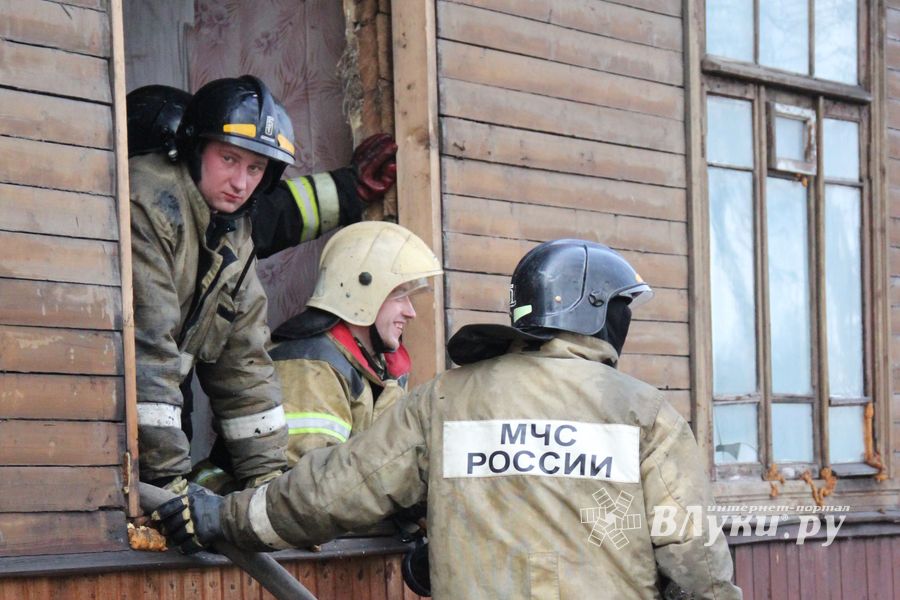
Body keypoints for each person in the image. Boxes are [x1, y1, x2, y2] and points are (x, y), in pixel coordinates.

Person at [153, 239, 742, 599]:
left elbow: (333, 491)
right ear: (598, 315)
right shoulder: (645, 414)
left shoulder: (445, 401)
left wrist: (218, 517)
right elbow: (695, 560)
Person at [130, 75, 395, 493]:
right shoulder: (150, 203)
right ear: (194, 149)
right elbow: (146, 350)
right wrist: (169, 484)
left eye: (255, 168)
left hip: (156, 407)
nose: (241, 182)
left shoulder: (234, 229)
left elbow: (244, 365)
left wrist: (271, 489)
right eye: (229, 159)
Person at [270, 220, 442, 463]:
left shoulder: (382, 367)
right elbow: (307, 487)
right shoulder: (310, 364)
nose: (411, 312)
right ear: (362, 290)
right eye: (400, 295)